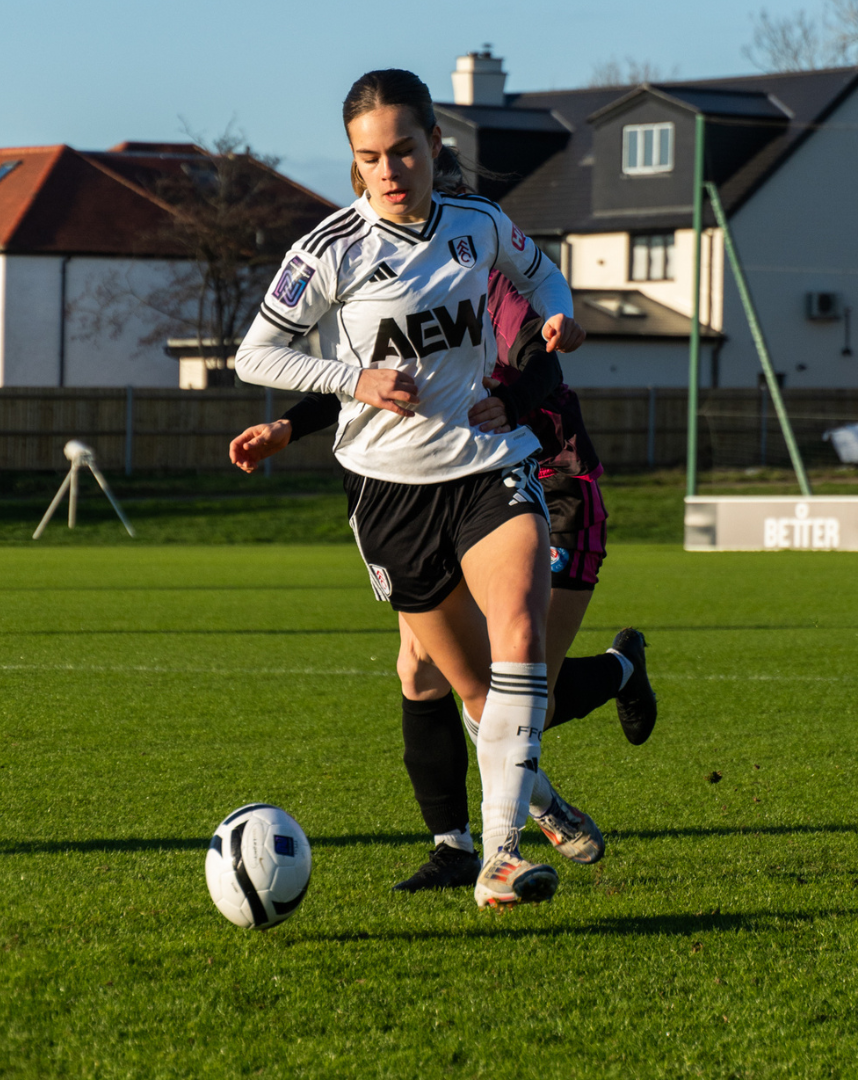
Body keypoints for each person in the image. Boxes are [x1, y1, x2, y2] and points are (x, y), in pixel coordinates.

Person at [235, 68, 584, 909]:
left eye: (403, 150)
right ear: (354, 161)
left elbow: (544, 276)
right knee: (468, 688)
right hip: (388, 493)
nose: (388, 170)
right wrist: (354, 381)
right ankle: (533, 796)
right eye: (369, 157)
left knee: (521, 634)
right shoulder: (325, 252)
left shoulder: (479, 224)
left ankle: (497, 855)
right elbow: (255, 353)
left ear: (434, 145)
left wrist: (558, 310)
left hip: (488, 463)